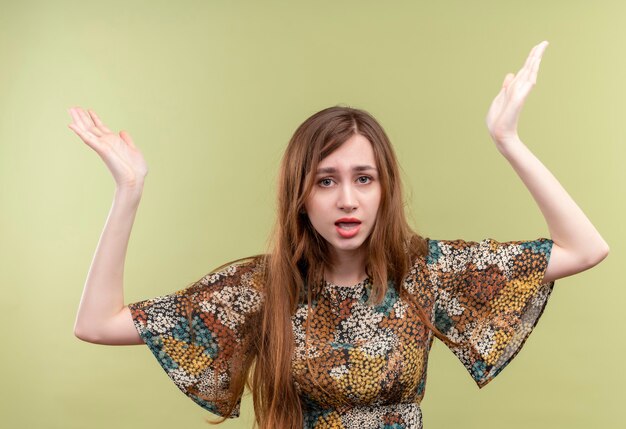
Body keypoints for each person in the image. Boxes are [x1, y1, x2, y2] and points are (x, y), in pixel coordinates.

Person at [69, 40, 609, 429]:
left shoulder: (422, 272)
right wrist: (129, 191)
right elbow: (97, 323)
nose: (347, 199)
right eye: (326, 181)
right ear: (300, 195)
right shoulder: (260, 287)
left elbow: (585, 248)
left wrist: (508, 140)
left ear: (384, 189)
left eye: (363, 179)